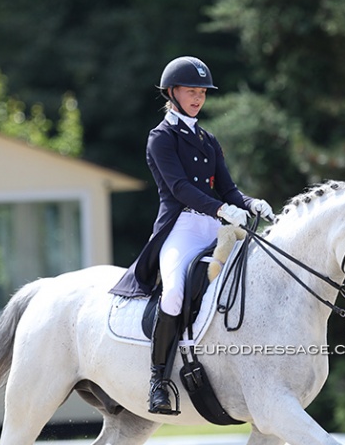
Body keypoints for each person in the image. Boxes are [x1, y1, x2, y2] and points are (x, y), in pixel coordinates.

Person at [111, 56, 274, 414]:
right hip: (182, 228)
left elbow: (229, 190)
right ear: (173, 92)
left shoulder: (207, 139)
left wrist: (251, 203)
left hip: (215, 227)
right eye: (191, 91)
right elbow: (180, 187)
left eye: (202, 92)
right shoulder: (161, 138)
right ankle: (158, 381)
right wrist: (220, 209)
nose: (198, 97)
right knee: (173, 296)